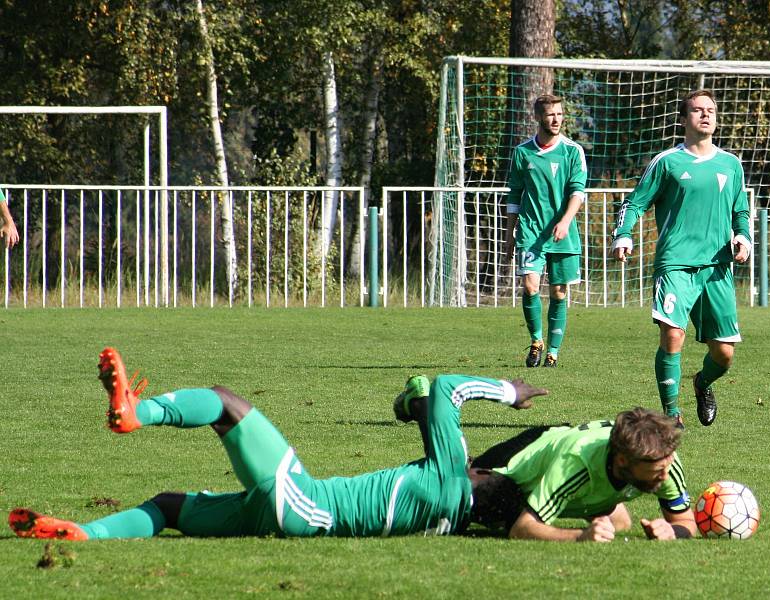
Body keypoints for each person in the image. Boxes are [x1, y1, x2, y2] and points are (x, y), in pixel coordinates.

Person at [8, 348, 546, 542]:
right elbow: (429, 406)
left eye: (487, 470)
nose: (482, 463)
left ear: (481, 482)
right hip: (285, 519)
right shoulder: (453, 516)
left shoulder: (454, 476)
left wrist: (508, 392)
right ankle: (83, 534)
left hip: (302, 502)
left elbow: (447, 390)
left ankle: (134, 413)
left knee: (223, 404)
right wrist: (413, 404)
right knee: (169, 509)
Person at [611, 89, 751, 429]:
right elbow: (635, 203)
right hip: (675, 263)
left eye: (711, 111)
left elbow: (741, 212)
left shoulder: (730, 164)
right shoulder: (667, 162)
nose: (705, 115)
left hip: (717, 268)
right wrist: (623, 234)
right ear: (683, 119)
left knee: (725, 354)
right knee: (673, 335)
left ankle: (702, 383)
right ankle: (672, 414)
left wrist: (743, 238)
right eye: (697, 110)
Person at [404, 391, 697, 542]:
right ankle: (425, 407)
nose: (666, 471)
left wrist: (675, 532)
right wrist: (579, 537)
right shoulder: (576, 465)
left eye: (668, 461)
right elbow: (523, 529)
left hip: (564, 445)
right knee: (454, 487)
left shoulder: (662, 456)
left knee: (619, 523)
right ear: (623, 460)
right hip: (520, 464)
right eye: (658, 466)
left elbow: (686, 522)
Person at [505, 94, 587, 368]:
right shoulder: (522, 152)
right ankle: (536, 340)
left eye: (560, 114)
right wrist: (509, 234)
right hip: (530, 231)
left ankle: (553, 351)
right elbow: (514, 195)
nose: (556, 119)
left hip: (564, 233)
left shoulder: (573, 151)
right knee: (530, 286)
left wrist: (564, 221)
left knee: (559, 293)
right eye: (551, 114)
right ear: (538, 117)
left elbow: (578, 191)